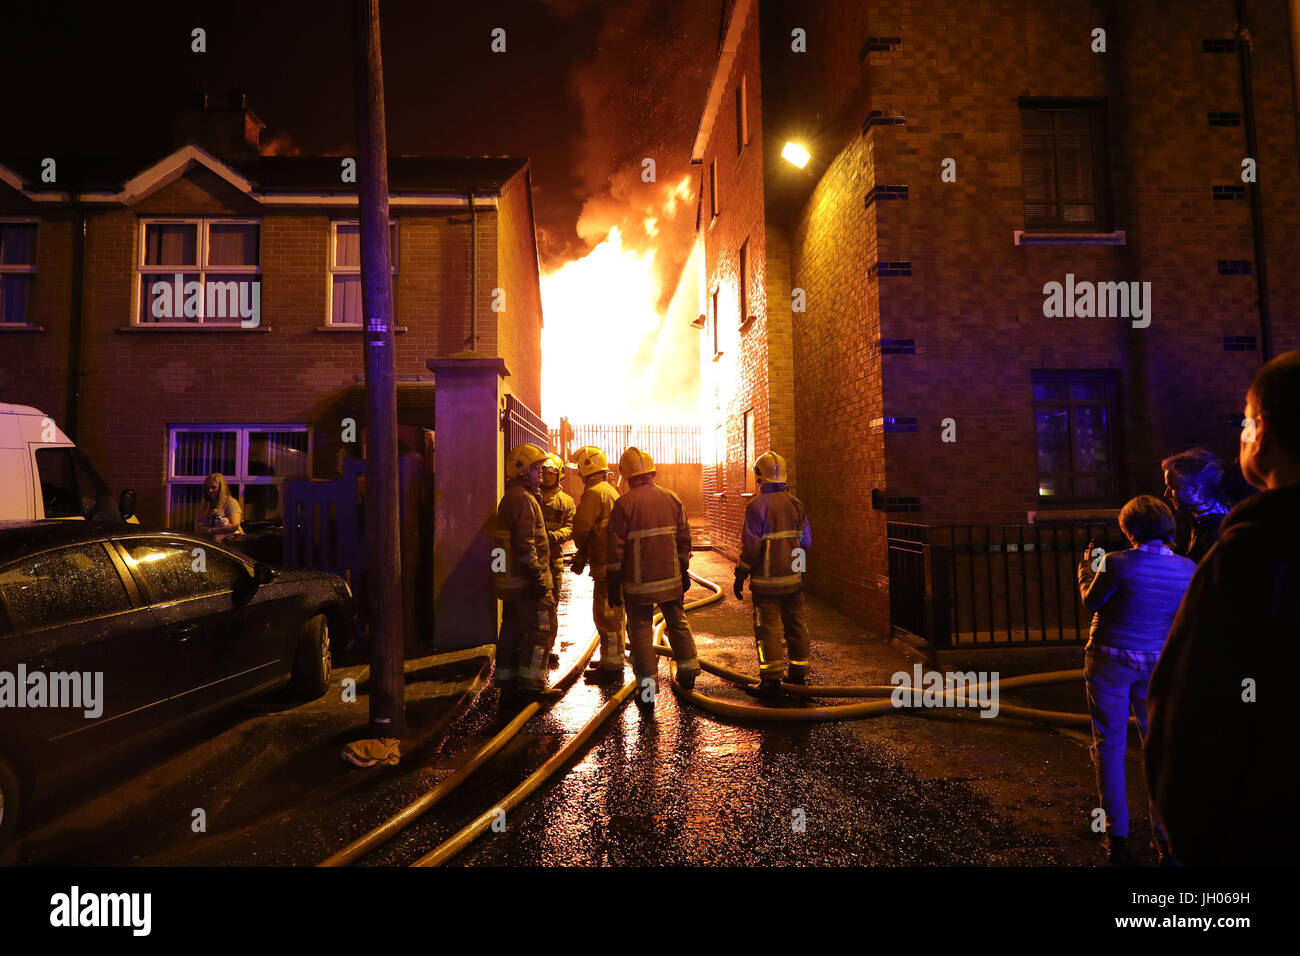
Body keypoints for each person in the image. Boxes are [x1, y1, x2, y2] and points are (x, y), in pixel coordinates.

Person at [1146, 350, 1300, 866]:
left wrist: (1191, 839)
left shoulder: (1251, 549)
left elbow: (1191, 708)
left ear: (1265, 434)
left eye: (1246, 421)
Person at [1077, 495, 1196, 865]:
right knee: (1157, 746)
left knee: (1109, 745)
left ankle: (1117, 834)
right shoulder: (1188, 569)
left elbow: (1092, 602)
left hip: (1109, 659)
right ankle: (1165, 837)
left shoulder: (1116, 563)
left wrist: (1085, 568)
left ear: (1128, 529)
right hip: (1157, 663)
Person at [605, 447, 700, 713]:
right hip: (670, 580)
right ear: (652, 472)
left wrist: (614, 583)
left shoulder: (624, 504)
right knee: (677, 622)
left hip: (638, 585)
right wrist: (682, 571)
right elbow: (684, 540)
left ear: (627, 475)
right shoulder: (672, 498)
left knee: (641, 632)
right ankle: (689, 673)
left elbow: (615, 550)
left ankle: (647, 692)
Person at [734, 451, 813, 698]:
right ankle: (798, 675)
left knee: (767, 629)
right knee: (796, 625)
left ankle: (770, 681)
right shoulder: (796, 504)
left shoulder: (756, 506)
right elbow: (806, 542)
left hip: (766, 584)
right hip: (793, 581)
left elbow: (751, 547)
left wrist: (740, 574)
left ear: (759, 478)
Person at [493, 443, 556, 702]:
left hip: (514, 582)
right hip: (525, 582)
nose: (540, 472)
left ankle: (507, 681)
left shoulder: (517, 496)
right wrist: (538, 579)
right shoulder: (521, 499)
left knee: (512, 629)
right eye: (535, 467)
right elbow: (525, 544)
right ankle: (532, 684)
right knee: (543, 629)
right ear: (520, 470)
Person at [567, 445, 627, 682]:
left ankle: (611, 668)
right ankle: (611, 659)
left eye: (579, 468)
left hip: (605, 562)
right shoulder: (609, 490)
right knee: (614, 614)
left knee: (605, 615)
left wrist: (582, 550)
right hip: (613, 561)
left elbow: (581, 528)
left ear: (586, 466)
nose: (577, 474)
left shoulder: (593, 494)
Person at [538, 453, 575, 669]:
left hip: (553, 559)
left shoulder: (566, 502)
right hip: (532, 557)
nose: (547, 476)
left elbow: (570, 528)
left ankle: (548, 646)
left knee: (551, 605)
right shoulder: (532, 496)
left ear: (559, 475)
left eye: (551, 473)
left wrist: (552, 537)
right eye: (544, 472)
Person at [1161, 449, 1229, 563]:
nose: (1166, 494)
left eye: (1172, 488)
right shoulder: (1201, 521)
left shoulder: (1215, 532)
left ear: (1195, 490)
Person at [195, 472, 243, 541]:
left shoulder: (230, 503)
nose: (210, 490)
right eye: (207, 487)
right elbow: (198, 525)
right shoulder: (205, 504)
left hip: (230, 543)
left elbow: (235, 526)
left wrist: (210, 530)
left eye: (213, 487)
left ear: (221, 488)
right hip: (211, 542)